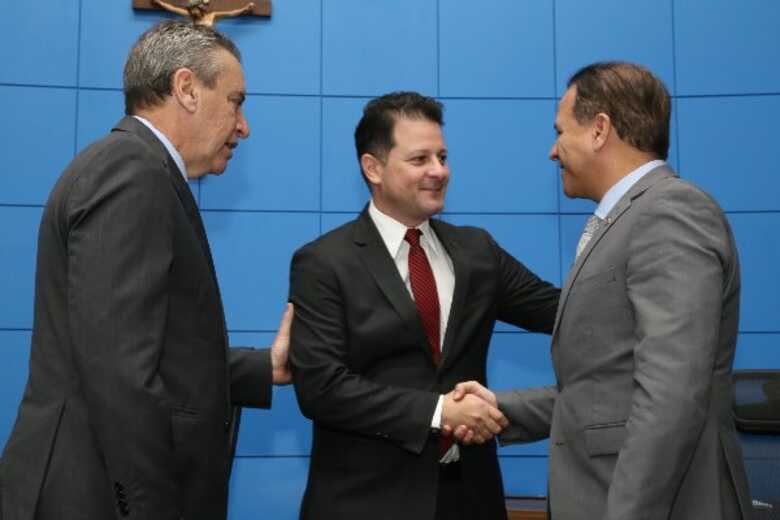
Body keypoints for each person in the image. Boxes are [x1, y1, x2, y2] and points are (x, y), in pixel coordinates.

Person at [0, 21, 292, 520]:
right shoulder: (132, 174)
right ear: (186, 89)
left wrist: (262, 368)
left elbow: (144, 351)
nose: (243, 126)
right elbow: (120, 375)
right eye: (236, 101)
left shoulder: (132, 167)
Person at [454, 62, 753, 520]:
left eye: (560, 132)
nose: (554, 152)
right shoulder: (626, 221)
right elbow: (609, 388)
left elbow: (672, 394)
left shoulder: (670, 212)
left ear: (599, 130)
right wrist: (503, 409)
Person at [288, 91, 560, 520]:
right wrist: (438, 411)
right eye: (420, 159)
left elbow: (560, 311)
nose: (440, 171)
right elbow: (322, 388)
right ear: (372, 168)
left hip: (470, 498)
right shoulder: (324, 262)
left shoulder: (477, 251)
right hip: (365, 502)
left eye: (443, 156)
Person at [152, 0, 256, 28]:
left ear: (201, 8)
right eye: (191, 10)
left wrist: (245, 9)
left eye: (194, 9)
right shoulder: (189, 15)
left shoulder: (213, 16)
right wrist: (160, 3)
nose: (192, 12)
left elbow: (231, 13)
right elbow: (173, 8)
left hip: (210, 43)